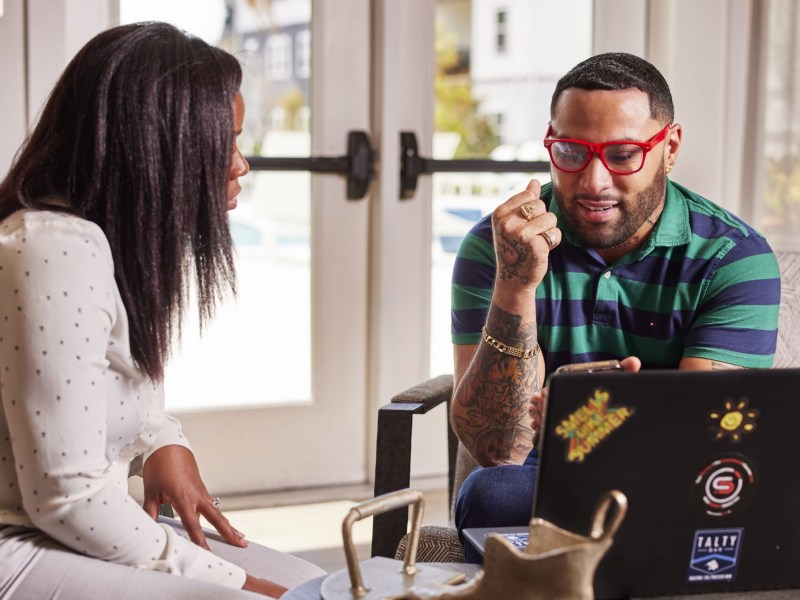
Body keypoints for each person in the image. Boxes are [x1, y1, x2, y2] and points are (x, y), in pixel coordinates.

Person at [0, 22, 325, 598]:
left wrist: (161, 442)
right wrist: (236, 580)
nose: (241, 164)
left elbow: (106, 389)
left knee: (315, 583)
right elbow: (67, 497)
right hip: (18, 540)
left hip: (54, 526)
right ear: (155, 147)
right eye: (223, 143)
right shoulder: (51, 248)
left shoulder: (107, 240)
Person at [449, 52, 781, 562]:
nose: (593, 182)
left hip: (671, 480)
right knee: (492, 494)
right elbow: (497, 449)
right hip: (543, 477)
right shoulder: (498, 249)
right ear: (549, 143)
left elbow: (702, 444)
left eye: (623, 154)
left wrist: (587, 416)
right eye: (572, 152)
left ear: (669, 148)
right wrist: (516, 286)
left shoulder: (734, 258)